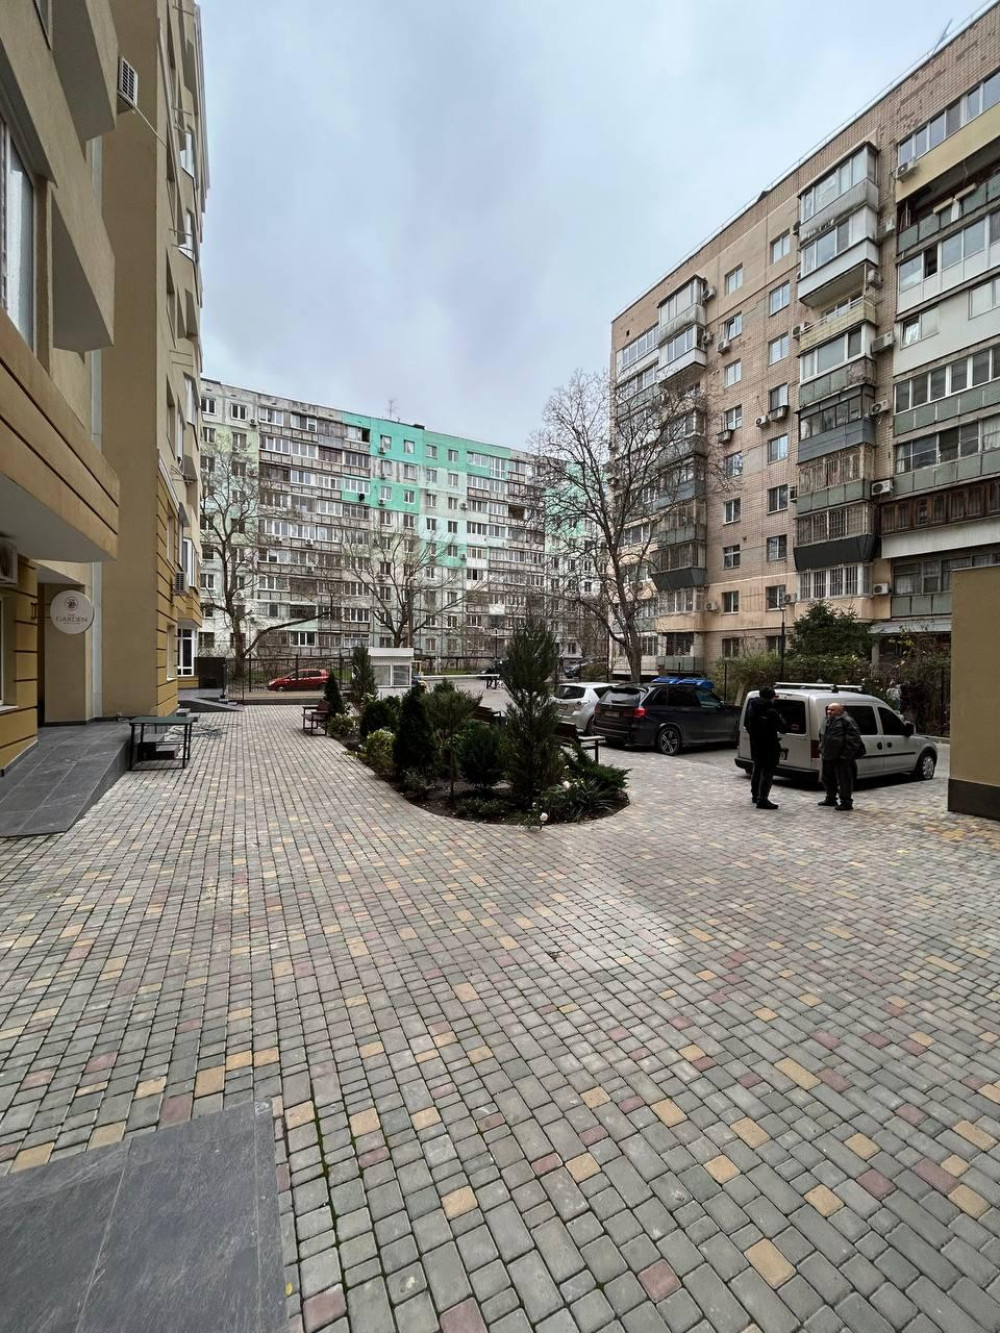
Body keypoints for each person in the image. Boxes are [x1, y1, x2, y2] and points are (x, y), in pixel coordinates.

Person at [818, 701, 864, 811]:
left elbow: (854, 739)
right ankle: (830, 798)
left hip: (842, 757)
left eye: (832, 710)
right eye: (828, 709)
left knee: (844, 780)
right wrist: (821, 748)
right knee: (827, 778)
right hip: (828, 755)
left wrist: (845, 755)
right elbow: (822, 735)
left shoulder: (847, 721)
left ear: (840, 711)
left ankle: (846, 802)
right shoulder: (827, 720)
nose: (829, 711)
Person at [745, 687, 784, 810]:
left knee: (757, 770)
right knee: (767, 773)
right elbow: (783, 727)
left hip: (756, 745)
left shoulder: (752, 707)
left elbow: (747, 725)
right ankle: (762, 799)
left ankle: (755, 795)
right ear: (772, 697)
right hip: (769, 746)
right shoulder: (771, 710)